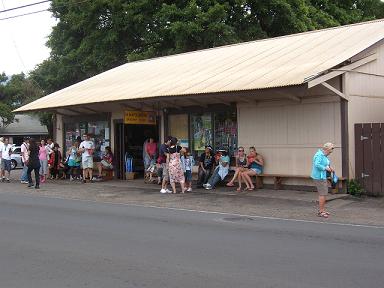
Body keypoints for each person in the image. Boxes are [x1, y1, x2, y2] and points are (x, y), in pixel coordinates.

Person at [311, 142, 335, 218]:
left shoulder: (324, 155)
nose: (331, 152)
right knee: (322, 194)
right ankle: (321, 211)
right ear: (327, 149)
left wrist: (329, 167)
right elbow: (317, 164)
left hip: (323, 176)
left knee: (324, 193)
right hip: (319, 177)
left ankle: (322, 210)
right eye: (331, 149)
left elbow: (326, 163)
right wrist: (325, 168)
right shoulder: (319, 155)